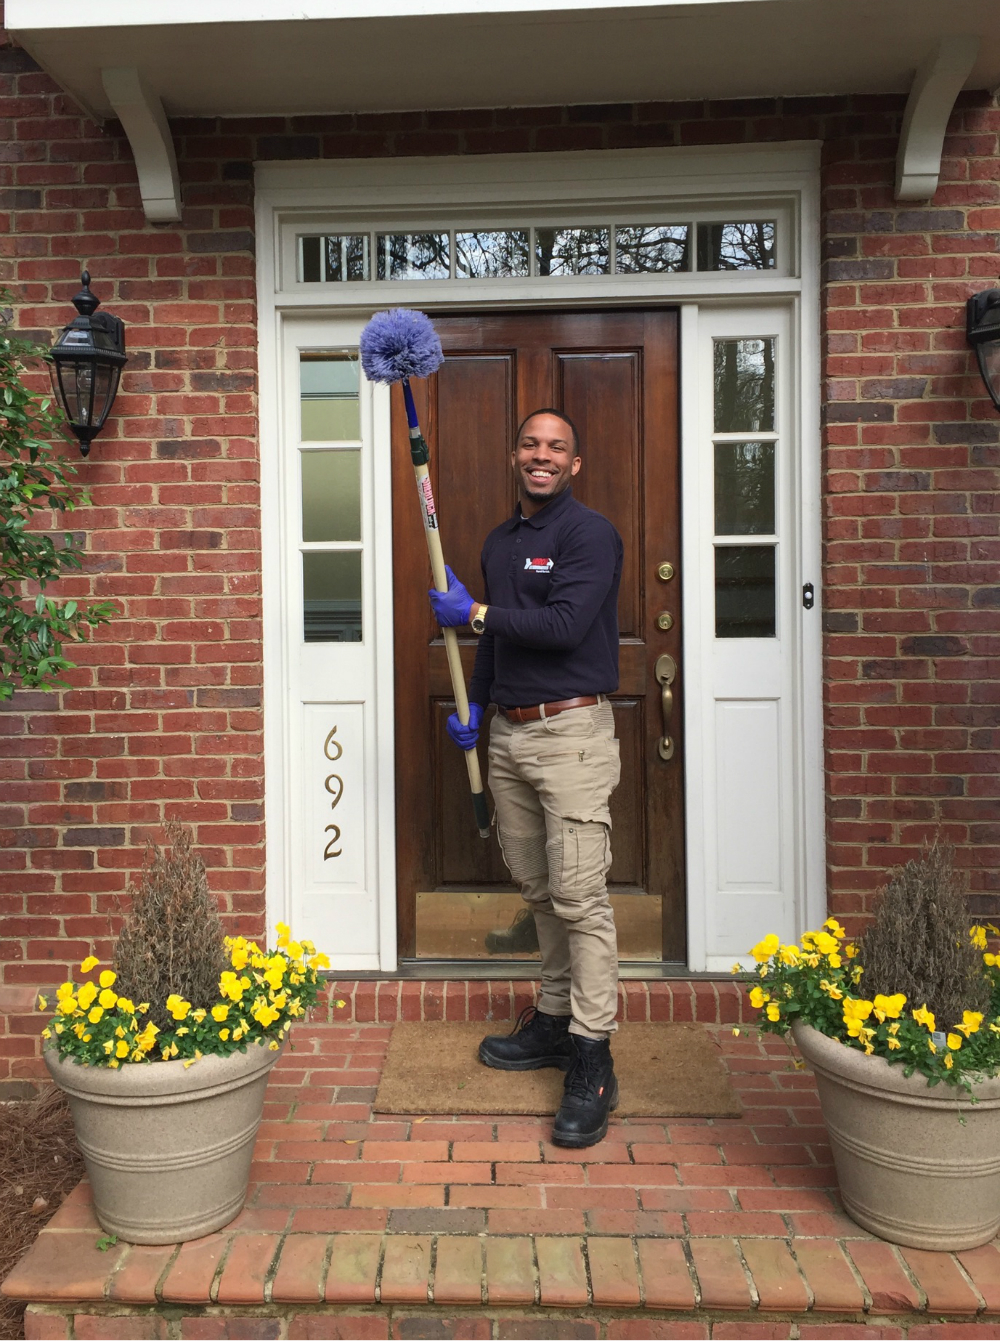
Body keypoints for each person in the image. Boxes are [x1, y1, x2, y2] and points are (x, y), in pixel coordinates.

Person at [427, 408, 624, 1148]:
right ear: (516, 455)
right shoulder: (501, 542)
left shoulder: (588, 534)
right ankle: (549, 1019)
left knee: (581, 896)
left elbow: (567, 624)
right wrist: (473, 709)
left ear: (574, 464)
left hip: (570, 733)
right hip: (508, 734)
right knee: (539, 888)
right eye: (531, 444)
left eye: (556, 448)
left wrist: (474, 609)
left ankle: (593, 1055)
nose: (541, 456)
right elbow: (494, 645)